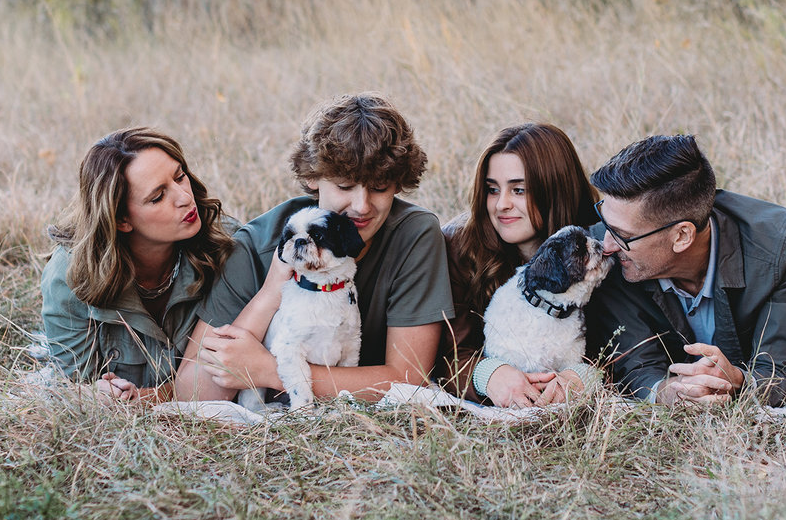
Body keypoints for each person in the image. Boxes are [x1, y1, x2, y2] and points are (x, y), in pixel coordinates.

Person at [177, 93, 453, 402]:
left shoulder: (414, 235)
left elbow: (408, 379)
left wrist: (271, 371)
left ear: (399, 184)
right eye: (344, 186)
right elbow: (192, 392)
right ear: (312, 177)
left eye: (379, 188)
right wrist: (272, 291)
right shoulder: (257, 244)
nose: (362, 206)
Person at [585, 134, 786, 407]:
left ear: (682, 236)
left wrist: (738, 382)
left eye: (622, 235)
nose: (606, 246)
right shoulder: (606, 254)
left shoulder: (783, 245)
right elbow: (636, 366)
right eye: (605, 223)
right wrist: (668, 391)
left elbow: (778, 371)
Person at [40, 127, 235, 402]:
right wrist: (94, 395)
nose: (184, 198)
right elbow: (73, 384)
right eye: (158, 197)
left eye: (180, 177)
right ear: (121, 220)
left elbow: (235, 370)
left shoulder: (225, 247)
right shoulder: (70, 276)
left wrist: (152, 398)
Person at [439, 122, 603, 407]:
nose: (501, 204)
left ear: (554, 189)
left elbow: (625, 346)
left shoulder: (596, 246)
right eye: (492, 189)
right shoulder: (459, 246)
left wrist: (581, 376)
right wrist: (489, 375)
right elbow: (447, 356)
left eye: (518, 190)